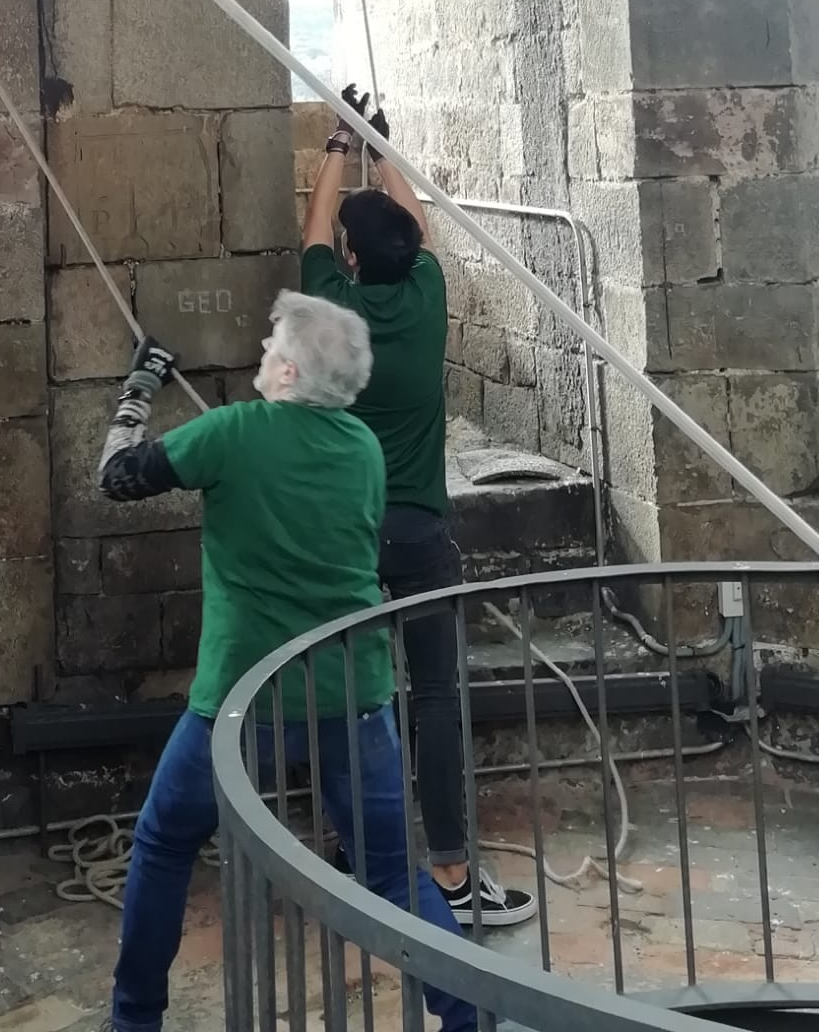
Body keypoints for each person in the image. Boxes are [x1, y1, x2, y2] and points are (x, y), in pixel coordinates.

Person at [96, 293, 480, 1032]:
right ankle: (468, 1017)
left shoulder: (235, 432)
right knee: (394, 871)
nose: (261, 354)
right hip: (353, 689)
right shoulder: (362, 448)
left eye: (272, 345)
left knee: (164, 840)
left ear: (291, 367)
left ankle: (134, 1019)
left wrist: (140, 388)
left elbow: (116, 476)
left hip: (245, 694)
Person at [300, 87, 536, 928]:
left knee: (347, 693)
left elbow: (314, 234)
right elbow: (417, 228)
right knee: (434, 695)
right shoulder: (429, 294)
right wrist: (384, 147)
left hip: (348, 536)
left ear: (356, 263)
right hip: (423, 532)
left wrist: (338, 145)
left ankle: (360, 856)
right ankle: (448, 871)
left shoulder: (338, 312)